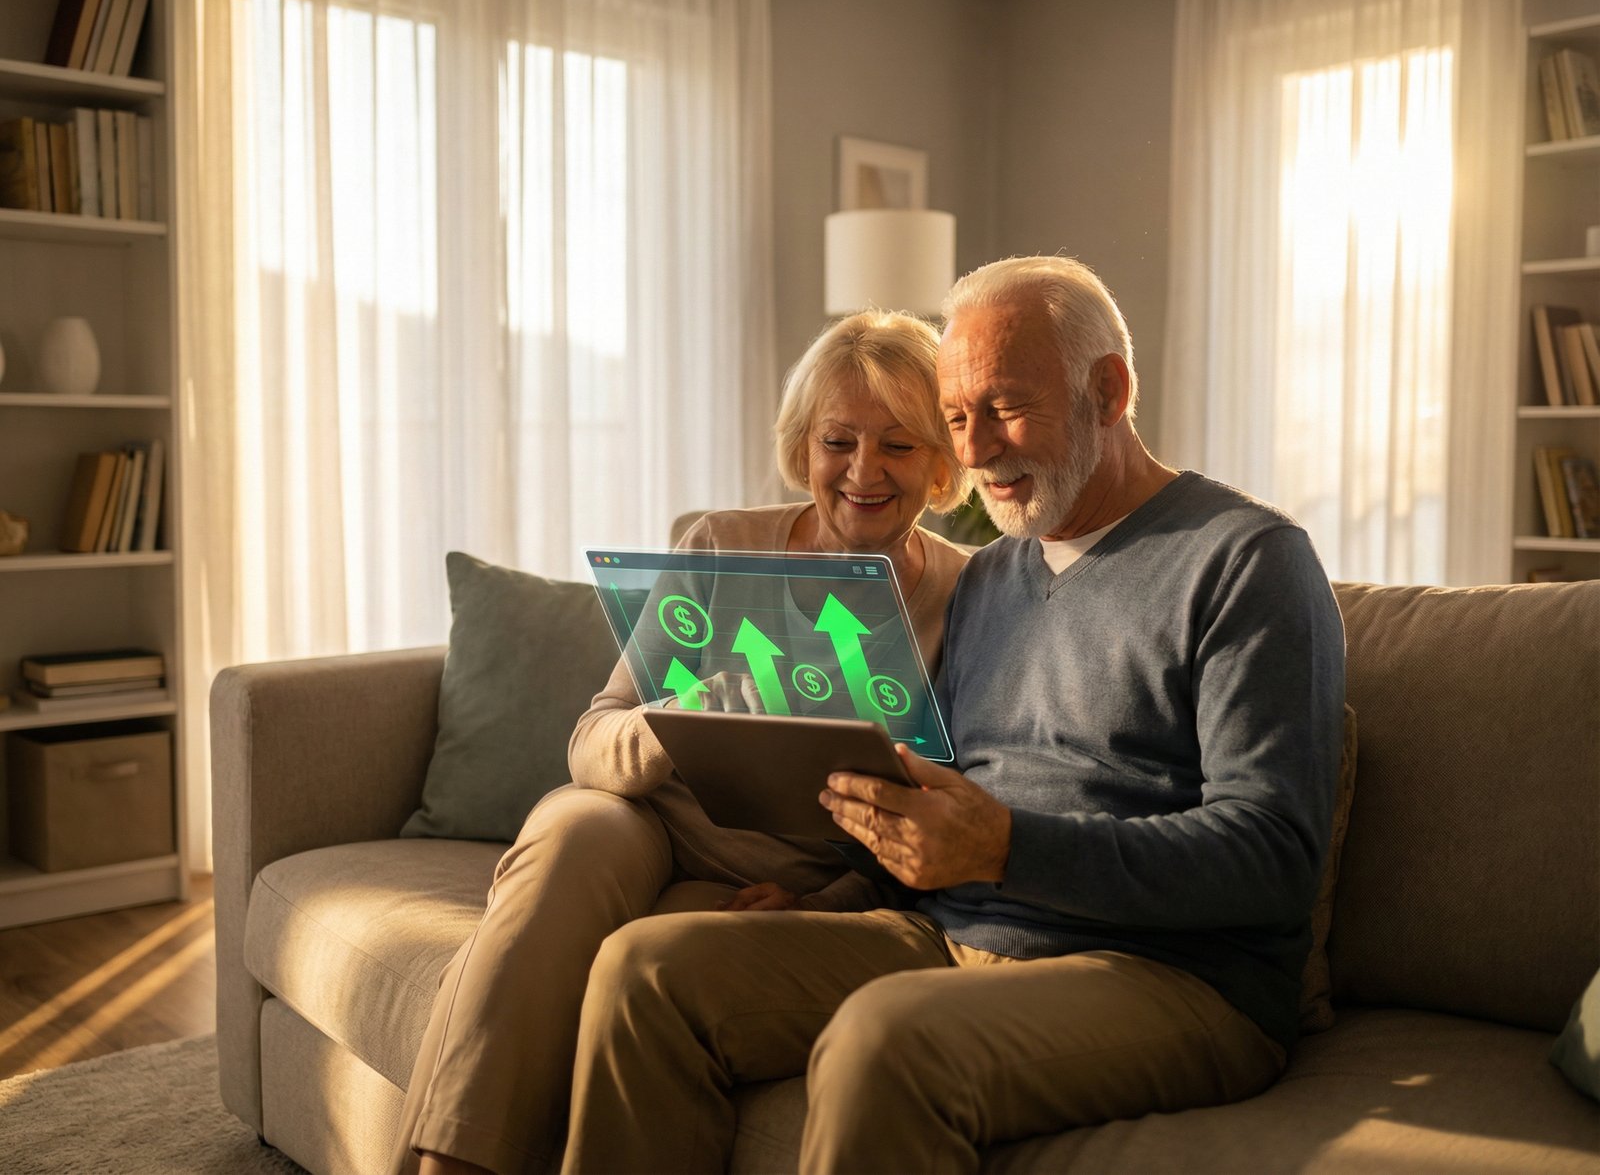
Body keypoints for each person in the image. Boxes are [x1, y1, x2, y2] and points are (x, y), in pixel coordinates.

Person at [558, 256, 1346, 1173]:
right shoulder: (993, 578)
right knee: (647, 971)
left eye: (1003, 408)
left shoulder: (1247, 561)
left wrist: (1008, 848)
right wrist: (831, 900)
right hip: (945, 933)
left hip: (1171, 974)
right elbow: (944, 812)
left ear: (1108, 391)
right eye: (960, 418)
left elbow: (1274, 856)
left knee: (884, 1039)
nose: (973, 452)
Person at [393, 309, 973, 1175]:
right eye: (837, 440)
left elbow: (946, 804)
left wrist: (829, 902)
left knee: (595, 966)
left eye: (898, 445)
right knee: (570, 834)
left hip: (786, 874)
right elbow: (593, 737)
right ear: (803, 446)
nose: (863, 470)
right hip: (648, 825)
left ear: (942, 461)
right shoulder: (721, 547)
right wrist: (680, 717)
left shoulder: (969, 597)